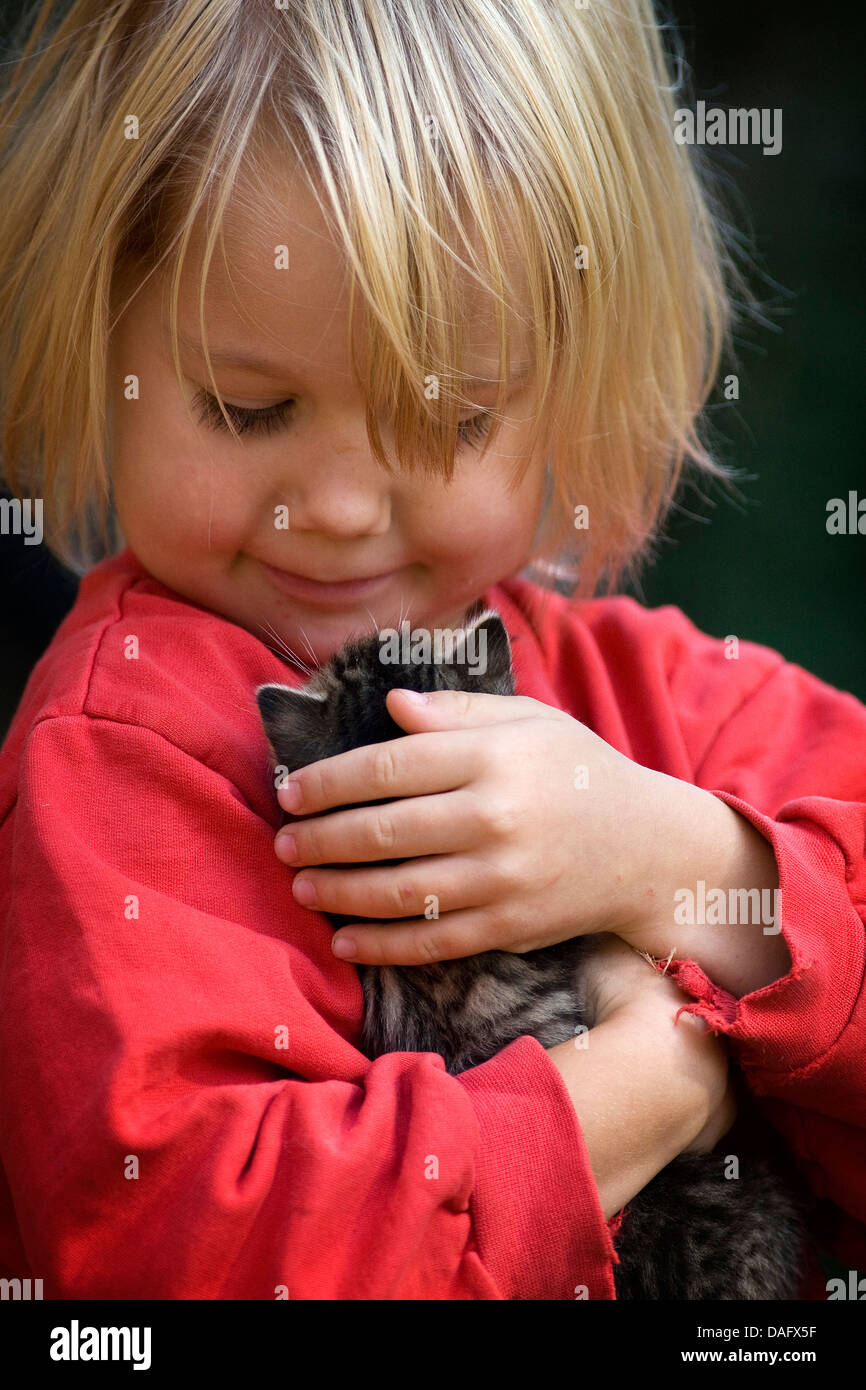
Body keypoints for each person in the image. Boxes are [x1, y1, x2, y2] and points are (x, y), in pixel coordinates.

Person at [0, 0, 862, 1301]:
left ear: (571, 382)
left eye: (451, 416)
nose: (342, 506)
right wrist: (654, 1080)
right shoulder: (119, 760)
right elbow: (186, 1256)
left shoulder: (649, 694)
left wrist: (685, 864)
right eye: (249, 407)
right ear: (96, 325)